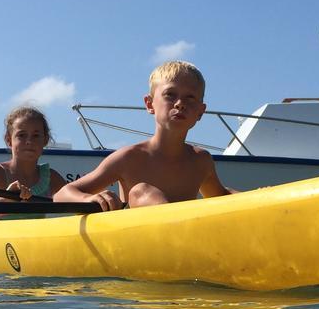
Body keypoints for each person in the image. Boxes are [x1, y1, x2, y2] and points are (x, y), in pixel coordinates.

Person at [53, 60, 234, 210]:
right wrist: (87, 199)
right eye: (170, 95)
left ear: (201, 112)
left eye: (190, 98)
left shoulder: (200, 161)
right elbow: (62, 194)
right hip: (135, 245)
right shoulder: (129, 158)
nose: (180, 104)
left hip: (180, 249)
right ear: (149, 104)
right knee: (141, 191)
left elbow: (222, 197)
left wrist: (261, 195)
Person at [0, 106, 66, 201]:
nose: (29, 141)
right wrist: (1, 198)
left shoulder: (50, 177)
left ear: (45, 140)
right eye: (21, 135)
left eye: (36, 135)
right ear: (8, 140)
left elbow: (73, 196)